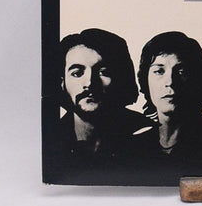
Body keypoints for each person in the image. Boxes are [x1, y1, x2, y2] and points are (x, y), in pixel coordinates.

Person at [58, 28, 149, 168]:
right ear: (62, 83)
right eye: (77, 73)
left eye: (103, 72)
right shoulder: (49, 138)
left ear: (121, 78)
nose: (89, 83)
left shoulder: (147, 134)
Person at [133, 31, 202, 179]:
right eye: (159, 71)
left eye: (182, 71)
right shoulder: (134, 147)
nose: (170, 82)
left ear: (197, 79)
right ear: (145, 80)